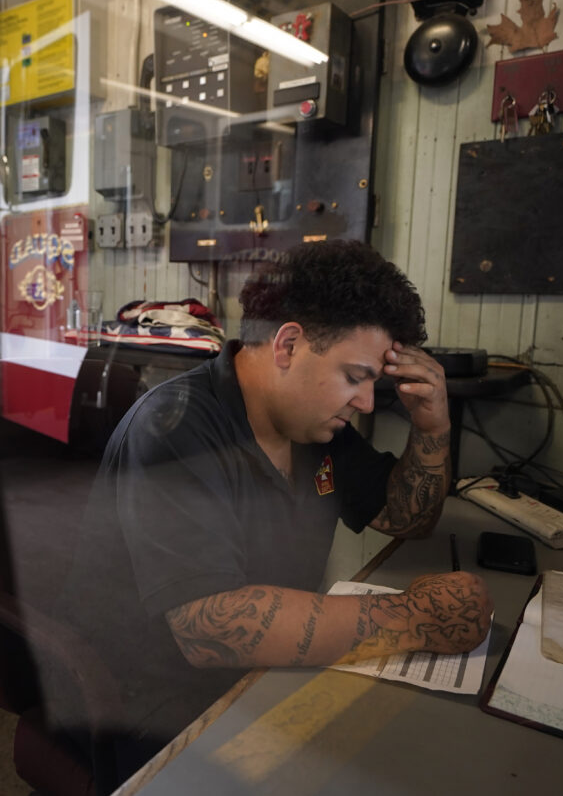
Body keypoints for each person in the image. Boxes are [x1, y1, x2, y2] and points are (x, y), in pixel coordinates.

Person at [52, 240, 493, 791]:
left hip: (263, 676)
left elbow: (406, 518)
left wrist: (432, 429)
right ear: (287, 345)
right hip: (151, 705)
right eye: (355, 376)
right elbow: (209, 630)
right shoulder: (176, 426)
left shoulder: (313, 426)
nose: (365, 403)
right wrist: (417, 619)